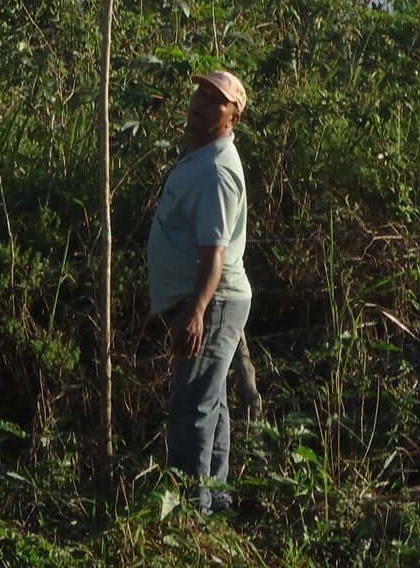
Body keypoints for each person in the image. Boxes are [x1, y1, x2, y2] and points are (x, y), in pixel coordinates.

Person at [146, 69, 252, 515]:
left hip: (213, 302)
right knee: (211, 404)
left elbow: (215, 255)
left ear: (232, 117)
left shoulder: (215, 171)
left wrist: (196, 311)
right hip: (207, 302)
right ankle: (217, 501)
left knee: (192, 409)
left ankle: (192, 512)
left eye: (216, 100)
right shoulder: (197, 153)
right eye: (201, 92)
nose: (202, 102)